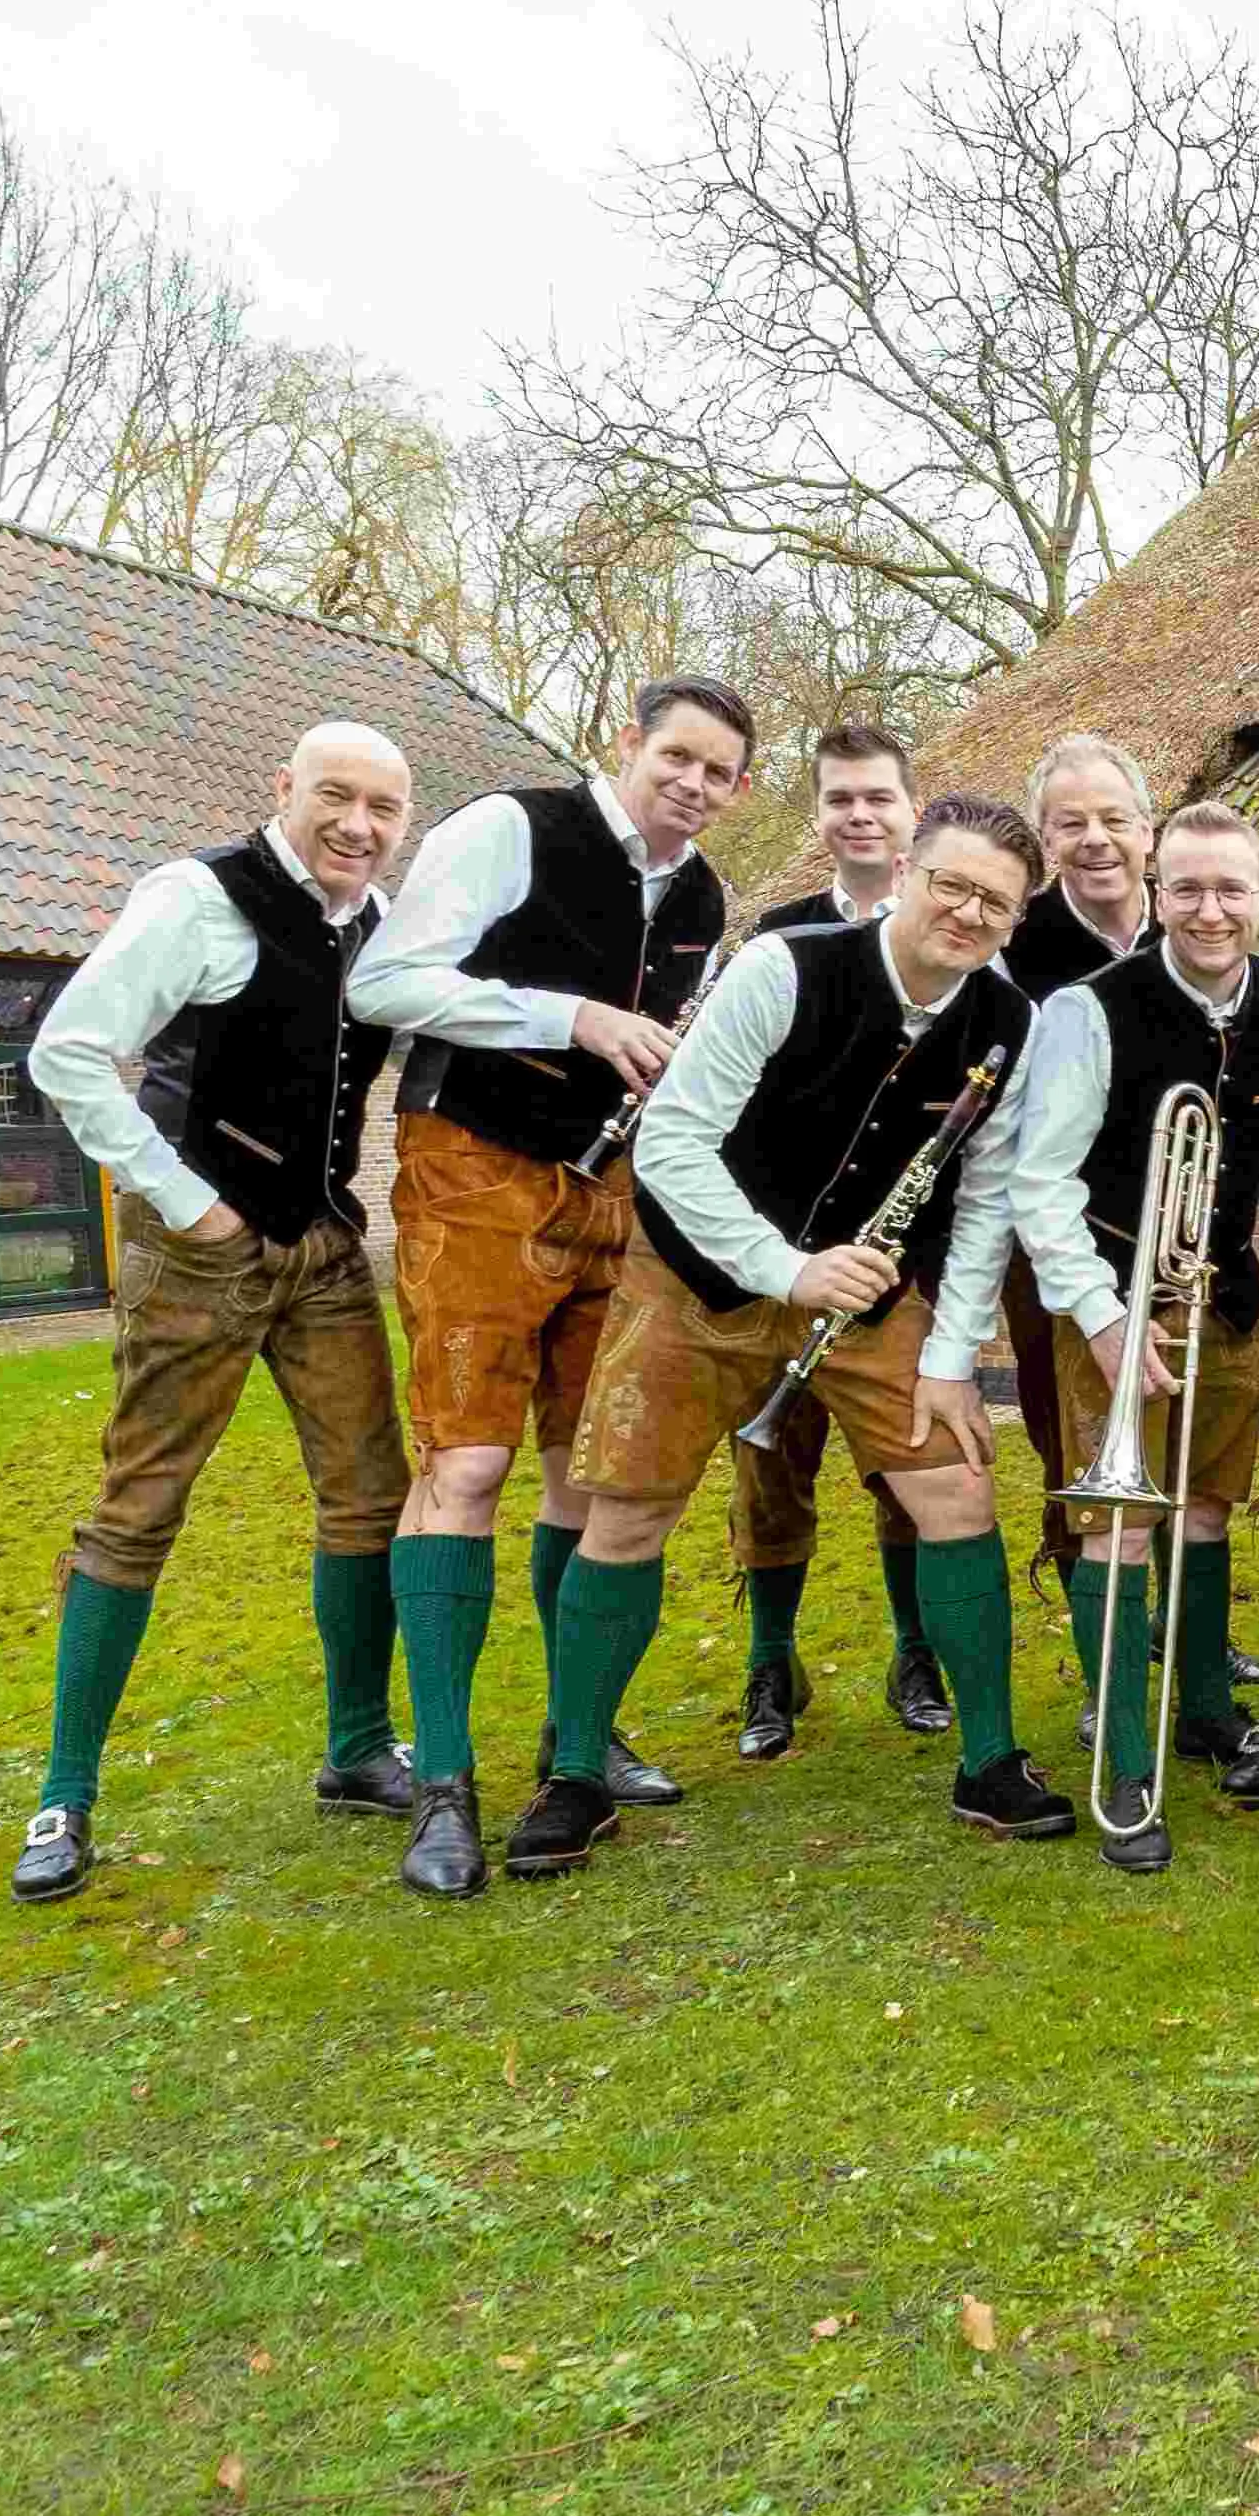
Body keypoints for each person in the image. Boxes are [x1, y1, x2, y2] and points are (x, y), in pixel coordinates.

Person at [502, 795, 1058, 1880]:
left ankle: (988, 1759)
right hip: (702, 1272)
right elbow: (671, 1141)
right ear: (905, 869)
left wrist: (950, 1353)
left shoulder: (1009, 1019)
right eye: (951, 882)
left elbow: (985, 1196)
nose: (968, 910)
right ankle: (573, 1772)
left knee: (956, 1492)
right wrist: (784, 1268)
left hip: (865, 1289)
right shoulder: (783, 968)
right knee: (628, 1512)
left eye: (995, 900)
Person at [9, 725, 418, 1902]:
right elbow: (71, 1053)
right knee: (139, 1506)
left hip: (324, 1243)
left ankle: (353, 1748)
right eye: (335, 796)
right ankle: (64, 1795)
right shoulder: (195, 898)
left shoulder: (385, 926)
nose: (357, 824)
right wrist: (191, 1207)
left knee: (369, 1491)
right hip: (201, 1252)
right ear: (283, 788)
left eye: (382, 808)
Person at [349, 674, 745, 1884]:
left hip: (611, 1188)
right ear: (625, 742)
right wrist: (566, 1016)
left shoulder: (706, 895)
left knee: (591, 1463)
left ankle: (575, 1738)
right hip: (476, 1166)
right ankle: (445, 1782)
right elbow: (382, 985)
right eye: (675, 755)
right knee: (466, 1462)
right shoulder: (507, 827)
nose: (692, 783)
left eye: (718, 772)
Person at [1010, 801, 1259, 1830]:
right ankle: (1122, 1742)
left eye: (1231, 889)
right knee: (1120, 1526)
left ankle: (1208, 1711)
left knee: (1209, 1507)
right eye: (1185, 888)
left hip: (1220, 1297)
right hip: (1111, 1296)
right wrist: (1097, 1317)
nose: (1209, 909)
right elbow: (1038, 1186)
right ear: (1154, 892)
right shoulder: (1087, 1010)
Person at [722, 721, 946, 1758]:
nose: (860, 813)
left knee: (905, 1470)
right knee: (771, 1469)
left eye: (878, 797)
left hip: (901, 1264)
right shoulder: (776, 936)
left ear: (912, 811)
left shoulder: (955, 936)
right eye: (840, 798)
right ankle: (772, 1662)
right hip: (785, 1254)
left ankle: (916, 1649)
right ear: (820, 815)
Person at [989, 733, 1167, 1591]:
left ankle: (1173, 1616)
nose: (1094, 839)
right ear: (1042, 840)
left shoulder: (1194, 922)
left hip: (1174, 1223)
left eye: (1113, 818)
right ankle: (1091, 1595)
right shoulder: (1011, 947)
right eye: (1070, 823)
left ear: (1148, 829)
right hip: (1057, 1226)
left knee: (1180, 1419)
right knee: (1066, 1422)